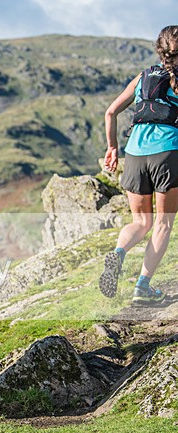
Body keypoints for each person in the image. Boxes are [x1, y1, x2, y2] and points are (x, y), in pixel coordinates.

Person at [100, 26, 178, 305]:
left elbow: (110, 112)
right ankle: (142, 287)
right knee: (163, 223)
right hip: (167, 153)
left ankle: (119, 253)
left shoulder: (144, 77)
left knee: (140, 222)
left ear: (160, 48)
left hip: (134, 153)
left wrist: (112, 148)